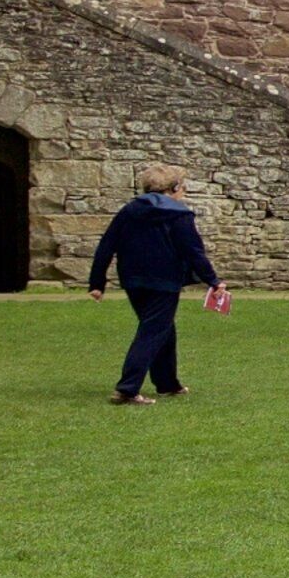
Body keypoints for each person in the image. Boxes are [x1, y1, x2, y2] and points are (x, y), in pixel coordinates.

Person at [86, 162, 220, 406]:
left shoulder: (128, 211)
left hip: (133, 279)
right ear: (175, 187)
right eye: (183, 187)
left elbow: (106, 246)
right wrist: (213, 280)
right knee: (153, 330)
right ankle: (127, 388)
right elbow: (193, 251)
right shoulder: (179, 214)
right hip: (164, 281)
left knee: (163, 329)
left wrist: (97, 282)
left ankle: (167, 383)